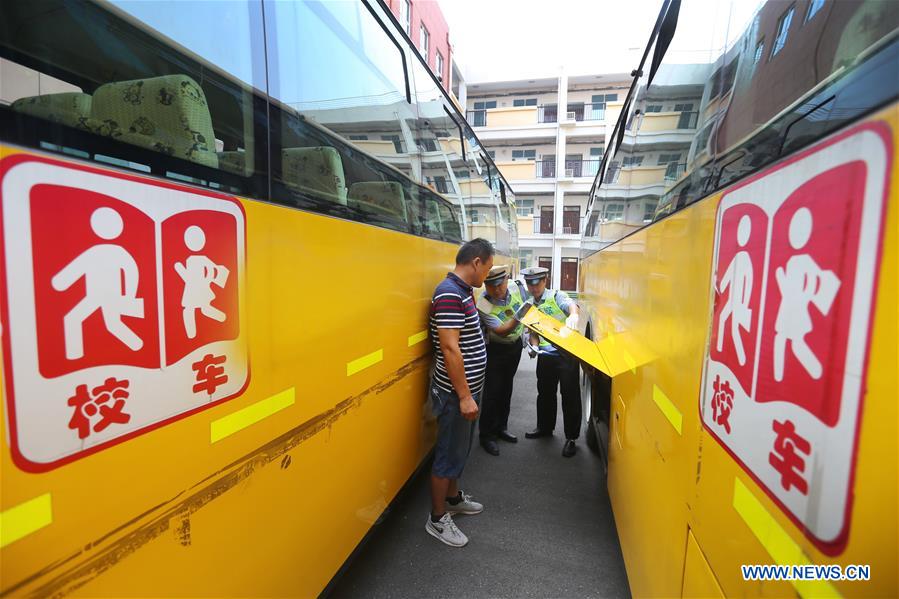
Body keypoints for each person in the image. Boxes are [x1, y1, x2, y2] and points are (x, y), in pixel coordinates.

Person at [425, 238, 493, 547]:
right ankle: (437, 519)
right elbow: (451, 349)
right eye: (487, 268)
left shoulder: (463, 292)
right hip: (455, 394)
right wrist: (465, 396)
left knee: (459, 451)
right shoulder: (450, 294)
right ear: (476, 262)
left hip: (467, 391)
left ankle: (452, 499)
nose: (487, 276)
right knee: (447, 455)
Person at [520, 266, 582, 458]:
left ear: (545, 281)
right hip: (546, 356)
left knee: (569, 395)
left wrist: (573, 314)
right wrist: (533, 345)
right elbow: (534, 333)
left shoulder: (556, 296)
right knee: (545, 394)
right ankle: (545, 428)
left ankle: (571, 438)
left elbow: (572, 305)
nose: (533, 287)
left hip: (566, 354)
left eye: (537, 283)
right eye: (529, 284)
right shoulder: (530, 304)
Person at [476, 265, 526, 456]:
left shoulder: (515, 287)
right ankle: (487, 436)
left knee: (507, 388)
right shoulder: (483, 304)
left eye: (500, 285)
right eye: (491, 286)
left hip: (514, 348)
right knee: (492, 392)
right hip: (495, 350)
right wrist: (521, 315)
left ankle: (501, 427)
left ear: (506, 280)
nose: (496, 290)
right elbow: (501, 330)